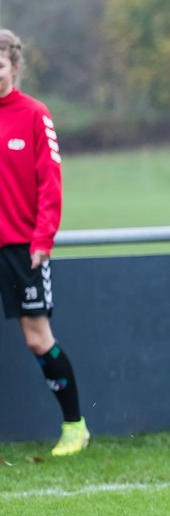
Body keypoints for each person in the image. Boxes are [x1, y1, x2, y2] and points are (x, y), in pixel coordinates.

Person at [0, 29, 90, 456]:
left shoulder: (35, 115)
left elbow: (50, 185)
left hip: (21, 248)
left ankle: (74, 426)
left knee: (37, 339)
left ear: (14, 68)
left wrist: (43, 239)